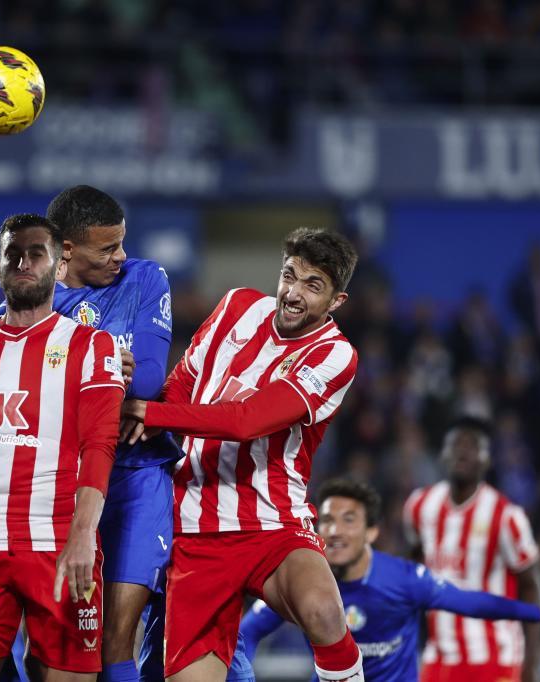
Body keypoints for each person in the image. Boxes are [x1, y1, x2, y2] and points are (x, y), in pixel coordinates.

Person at [122, 227, 363, 681]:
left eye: (313, 286)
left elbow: (248, 420)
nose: (292, 294)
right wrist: (143, 417)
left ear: (336, 301)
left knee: (325, 613)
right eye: (289, 276)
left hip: (272, 523)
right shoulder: (237, 306)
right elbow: (181, 387)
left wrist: (149, 413)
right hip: (194, 531)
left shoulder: (335, 355)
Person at [0, 185, 181, 681]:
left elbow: (148, 378)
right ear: (67, 251)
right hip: (61, 491)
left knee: (119, 633)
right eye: (107, 248)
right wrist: (98, 365)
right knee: (61, 641)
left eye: (121, 242)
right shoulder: (23, 306)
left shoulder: (143, 278)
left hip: (137, 478)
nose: (120, 256)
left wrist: (78, 371)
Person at [0, 213, 125, 681]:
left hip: (61, 544)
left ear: (59, 267)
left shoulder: (92, 345)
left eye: (36, 253)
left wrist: (83, 536)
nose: (24, 262)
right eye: (13, 254)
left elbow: (99, 447)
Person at [236, 478, 540, 681]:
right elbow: (247, 634)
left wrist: (539, 613)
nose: (335, 531)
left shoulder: (404, 579)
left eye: (349, 520)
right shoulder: (301, 584)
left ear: (372, 532)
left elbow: (468, 601)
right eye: (328, 521)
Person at [403, 416, 540, 682]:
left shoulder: (506, 515)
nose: (463, 450)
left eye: (473, 445)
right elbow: (413, 568)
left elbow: (531, 584)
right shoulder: (419, 506)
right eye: (456, 444)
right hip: (439, 656)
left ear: (487, 460)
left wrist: (532, 663)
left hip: (495, 655)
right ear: (443, 454)